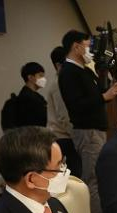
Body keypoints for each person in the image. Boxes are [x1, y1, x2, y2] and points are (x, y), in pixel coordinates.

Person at [58, 29, 117, 213]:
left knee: (102, 176)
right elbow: (76, 105)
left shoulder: (85, 71)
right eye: (88, 46)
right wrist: (104, 97)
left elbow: (98, 94)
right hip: (87, 131)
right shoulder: (68, 72)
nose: (90, 50)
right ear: (76, 46)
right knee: (94, 179)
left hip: (97, 130)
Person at [46, 46, 82, 179]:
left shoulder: (65, 81)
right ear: (58, 65)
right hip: (64, 138)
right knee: (74, 178)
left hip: (68, 137)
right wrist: (78, 138)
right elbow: (63, 116)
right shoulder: (58, 84)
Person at [14, 62, 48, 127]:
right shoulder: (27, 98)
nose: (44, 79)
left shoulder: (35, 95)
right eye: (40, 75)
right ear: (30, 77)